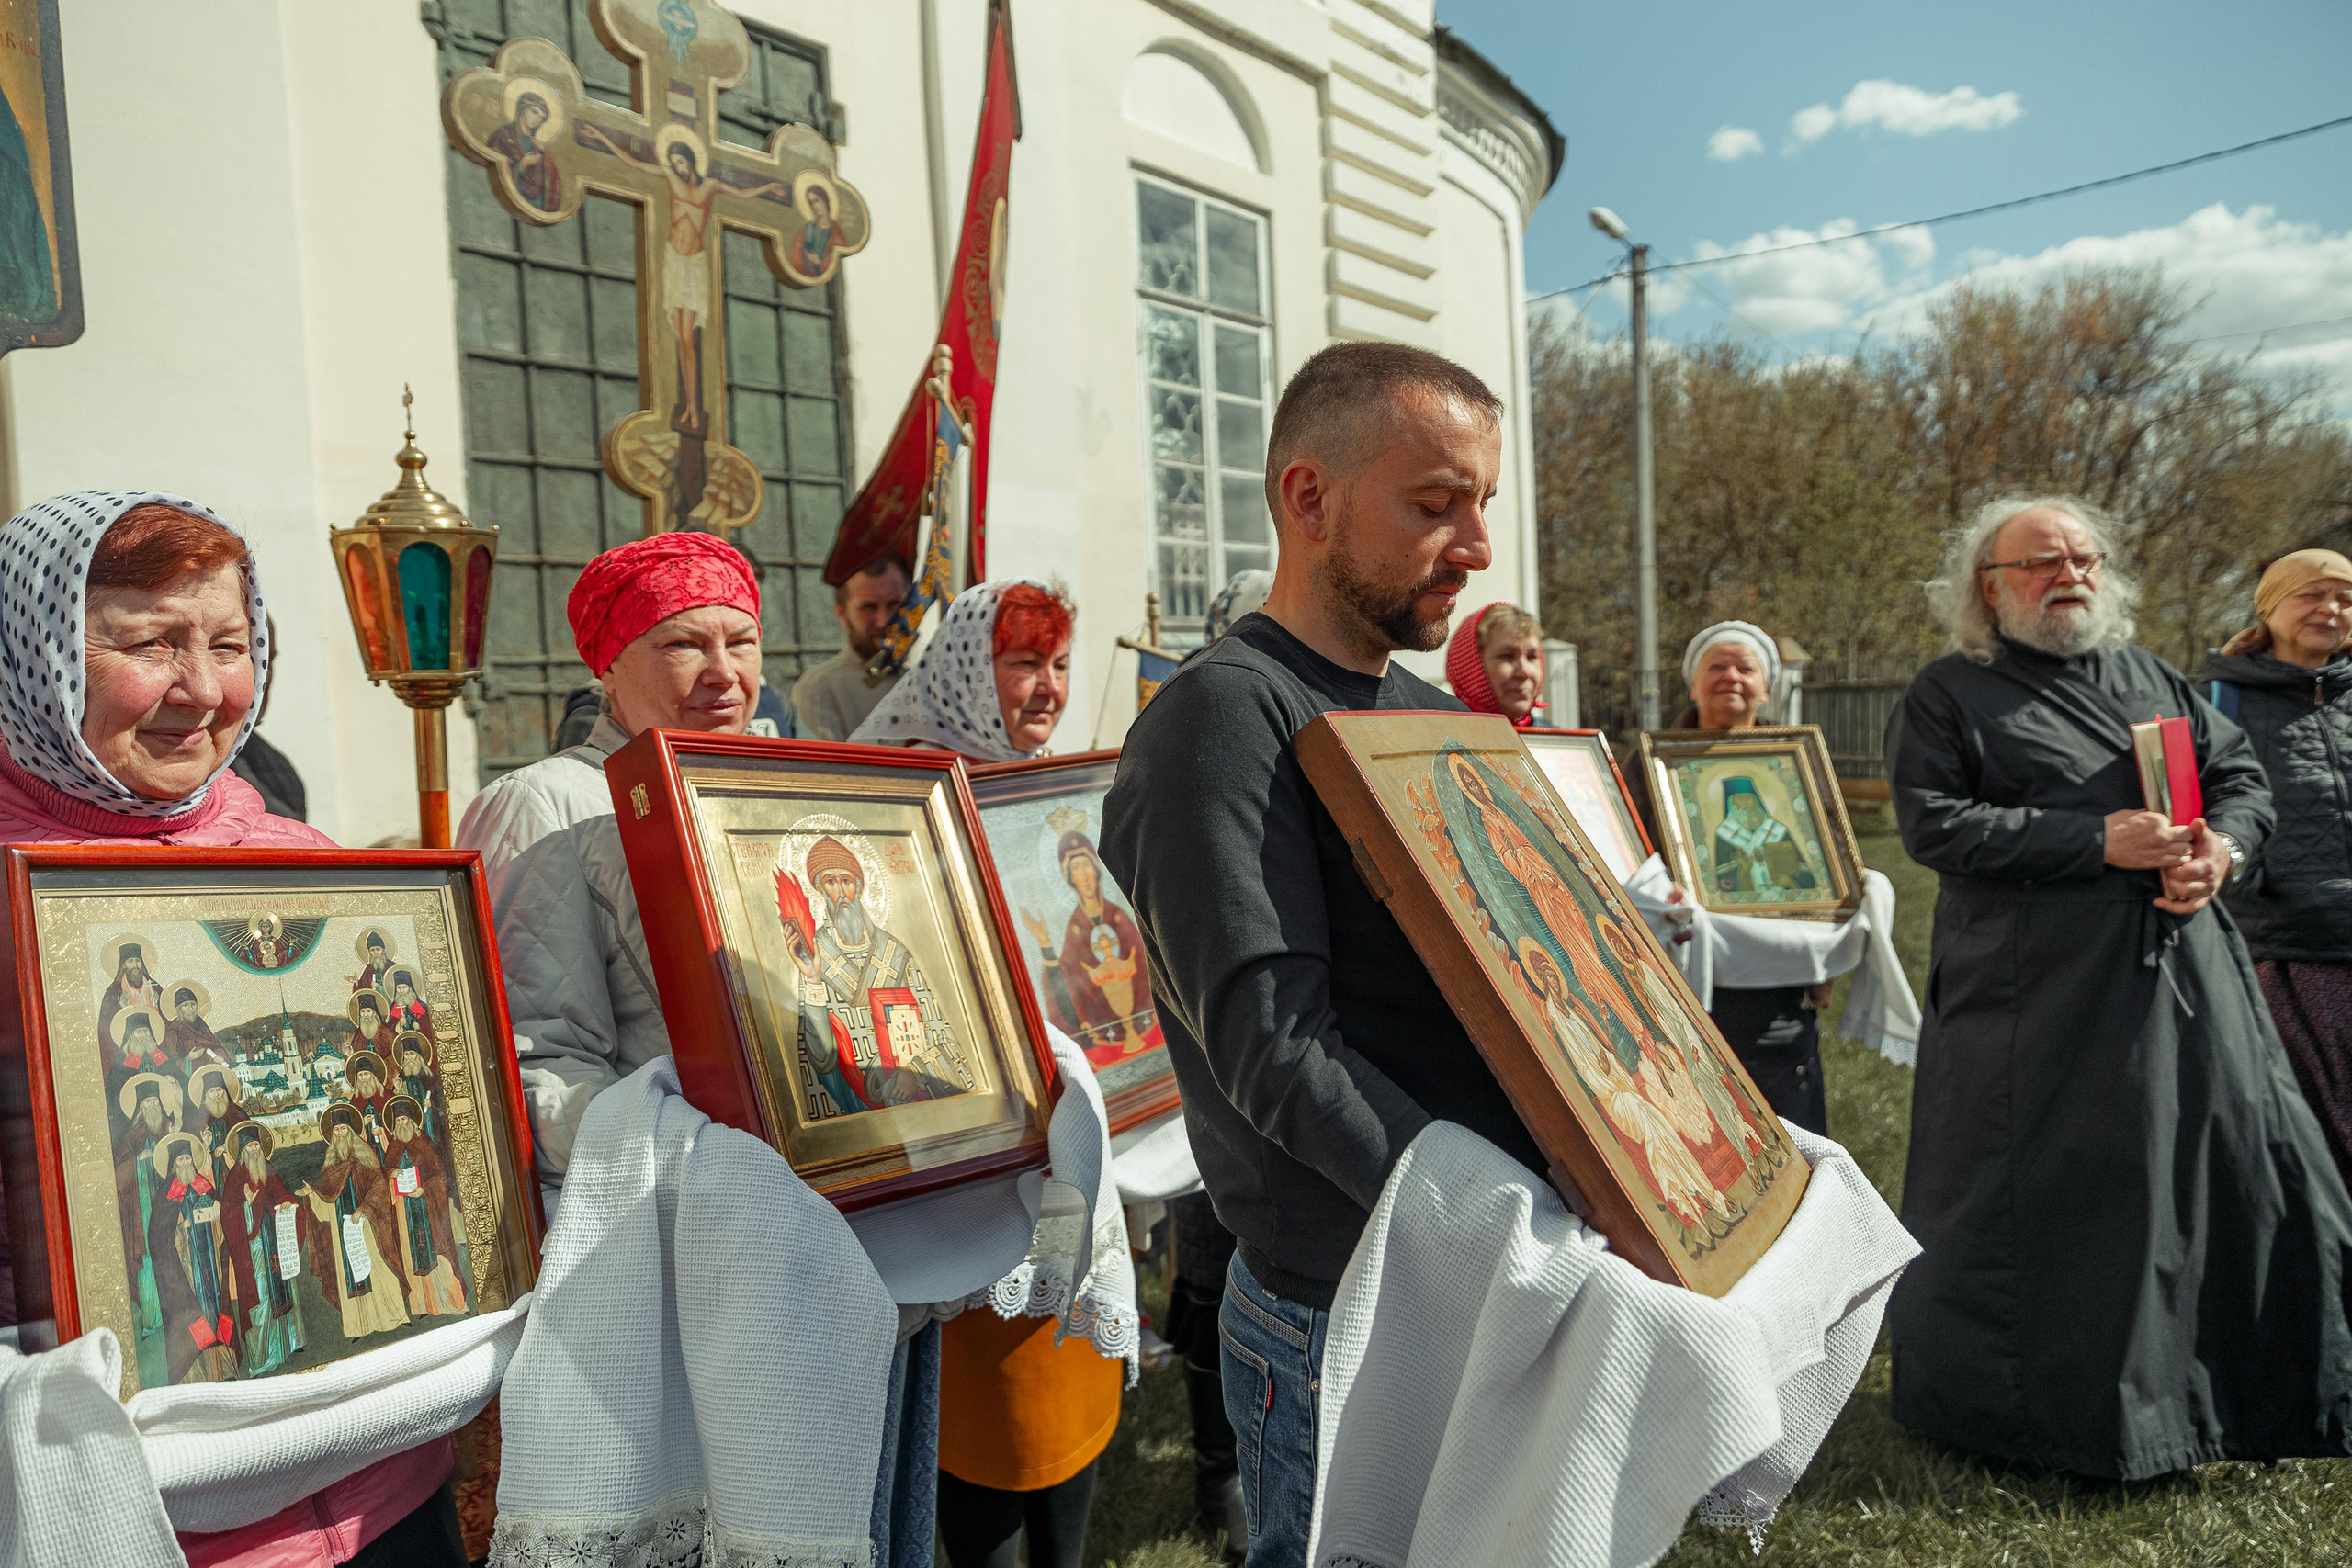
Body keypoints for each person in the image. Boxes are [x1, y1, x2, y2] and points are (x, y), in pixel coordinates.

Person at [1101, 341, 1540, 1567]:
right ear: (1308, 496)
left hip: (1479, 1273)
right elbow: (1276, 1050)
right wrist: (1492, 1210)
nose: (1476, 545)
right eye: (1436, 502)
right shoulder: (1226, 714)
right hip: (1345, 1305)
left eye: (1481, 504)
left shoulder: (1432, 717)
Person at [0, 491, 468, 1566]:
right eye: (150, 642)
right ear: (34, 654)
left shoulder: (295, 855)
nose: (202, 689)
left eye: (228, 642)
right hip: (153, 1506)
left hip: (381, 1477)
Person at [456, 529, 937, 1562]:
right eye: (683, 645)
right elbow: (532, 1062)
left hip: (834, 1220)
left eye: (743, 640)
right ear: (607, 663)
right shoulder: (552, 803)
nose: (723, 672)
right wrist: (700, 1146)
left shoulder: (767, 780)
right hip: (682, 1241)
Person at [1884, 493, 2352, 1478]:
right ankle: (2042, 1417)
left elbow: (2242, 783)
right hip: (2032, 997)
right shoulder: (1949, 693)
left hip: (2186, 968)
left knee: (2222, 1173)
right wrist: (2091, 840)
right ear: (1987, 585)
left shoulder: (2153, 678)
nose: (2069, 577)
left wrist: (2219, 851)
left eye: (2084, 560)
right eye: (2041, 562)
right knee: (2069, 1201)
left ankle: (2226, 1397)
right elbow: (1934, 825)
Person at [844, 578, 1122, 1568]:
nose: (1045, 690)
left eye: (1055, 666)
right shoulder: (891, 792)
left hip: (1069, 1145)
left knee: (1066, 1386)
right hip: (961, 1161)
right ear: (970, 669)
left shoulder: (1047, 789)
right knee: (982, 1429)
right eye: (1021, 665)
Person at [1628, 622, 1834, 1130]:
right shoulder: (1651, 761)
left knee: (1787, 1130)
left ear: (1766, 688)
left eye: (1746, 667)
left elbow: (1823, 868)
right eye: (1716, 666)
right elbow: (1621, 850)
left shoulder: (1796, 764)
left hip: (1775, 983)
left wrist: (1825, 956)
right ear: (1693, 684)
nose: (1731, 677)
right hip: (1675, 974)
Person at [2202, 547, 2352, 1184]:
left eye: (2344, 598)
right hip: (2280, 947)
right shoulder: (2215, 700)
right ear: (2270, 607)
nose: (2331, 609)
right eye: (2311, 594)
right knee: (2306, 1144)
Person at [794, 554, 911, 740]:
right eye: (868, 607)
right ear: (842, 614)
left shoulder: (926, 675)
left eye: (894, 604)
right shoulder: (820, 689)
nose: (884, 621)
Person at [1443, 600, 1544, 725]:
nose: (1524, 672)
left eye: (1532, 657)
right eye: (1507, 656)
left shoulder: (1555, 740)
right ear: (1471, 667)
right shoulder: (1443, 737)